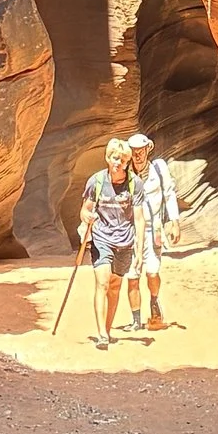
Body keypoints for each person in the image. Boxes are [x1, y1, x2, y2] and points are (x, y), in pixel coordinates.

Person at [78, 138, 139, 350]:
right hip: (101, 238)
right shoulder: (96, 182)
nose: (118, 163)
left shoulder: (134, 184)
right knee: (102, 283)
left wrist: (138, 250)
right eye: (115, 158)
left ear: (127, 162)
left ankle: (108, 328)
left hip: (125, 242)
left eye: (122, 160)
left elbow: (139, 218)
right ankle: (102, 334)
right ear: (107, 157)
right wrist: (87, 217)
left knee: (114, 286)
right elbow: (85, 209)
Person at [126, 132, 180, 333]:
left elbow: (169, 193)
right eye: (134, 151)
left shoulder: (159, 168)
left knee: (152, 272)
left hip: (153, 229)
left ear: (148, 149)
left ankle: (154, 301)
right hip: (130, 232)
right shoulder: (126, 172)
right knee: (132, 276)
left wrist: (174, 221)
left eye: (140, 151)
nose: (138, 155)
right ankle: (136, 319)